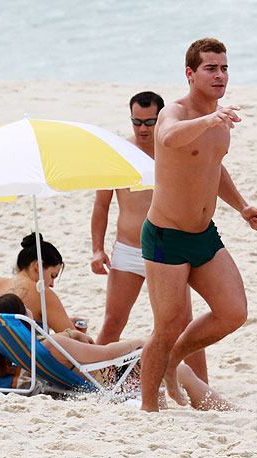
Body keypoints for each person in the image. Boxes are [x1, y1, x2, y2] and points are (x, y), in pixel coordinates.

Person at [139, 37, 257, 412]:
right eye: (211, 68)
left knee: (233, 312)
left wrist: (242, 206)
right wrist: (209, 118)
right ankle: (148, 409)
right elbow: (167, 137)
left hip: (204, 235)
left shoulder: (220, 120)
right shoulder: (174, 112)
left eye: (224, 67)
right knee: (168, 324)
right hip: (166, 236)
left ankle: (174, 361)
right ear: (190, 73)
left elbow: (213, 165)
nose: (220, 75)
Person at [0, 293, 233, 410]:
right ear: (22, 317)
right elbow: (106, 356)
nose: (30, 311)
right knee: (181, 369)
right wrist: (138, 342)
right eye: (25, 309)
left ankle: (177, 406)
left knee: (160, 364)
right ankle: (223, 410)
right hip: (106, 378)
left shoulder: (19, 353)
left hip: (89, 376)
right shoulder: (51, 344)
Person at [91, 91, 163, 345]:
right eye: (136, 121)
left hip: (168, 252)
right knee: (112, 322)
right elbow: (101, 205)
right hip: (128, 250)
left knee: (178, 325)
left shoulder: (174, 151)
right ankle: (94, 382)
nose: (142, 128)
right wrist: (97, 250)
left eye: (150, 122)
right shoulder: (118, 153)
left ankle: (202, 384)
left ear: (161, 118)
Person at [0, 232, 86, 335]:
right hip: (26, 350)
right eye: (52, 276)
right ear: (38, 265)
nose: (52, 284)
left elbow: (4, 329)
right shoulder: (42, 294)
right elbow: (76, 339)